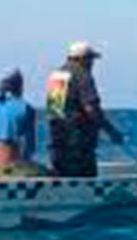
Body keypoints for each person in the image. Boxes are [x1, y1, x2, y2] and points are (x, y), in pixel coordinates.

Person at [46, 42, 123, 177]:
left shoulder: (56, 76)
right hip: (79, 140)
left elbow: (54, 110)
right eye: (90, 59)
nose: (92, 64)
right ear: (82, 59)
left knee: (62, 173)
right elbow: (91, 108)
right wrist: (111, 131)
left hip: (58, 139)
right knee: (84, 177)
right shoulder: (82, 75)